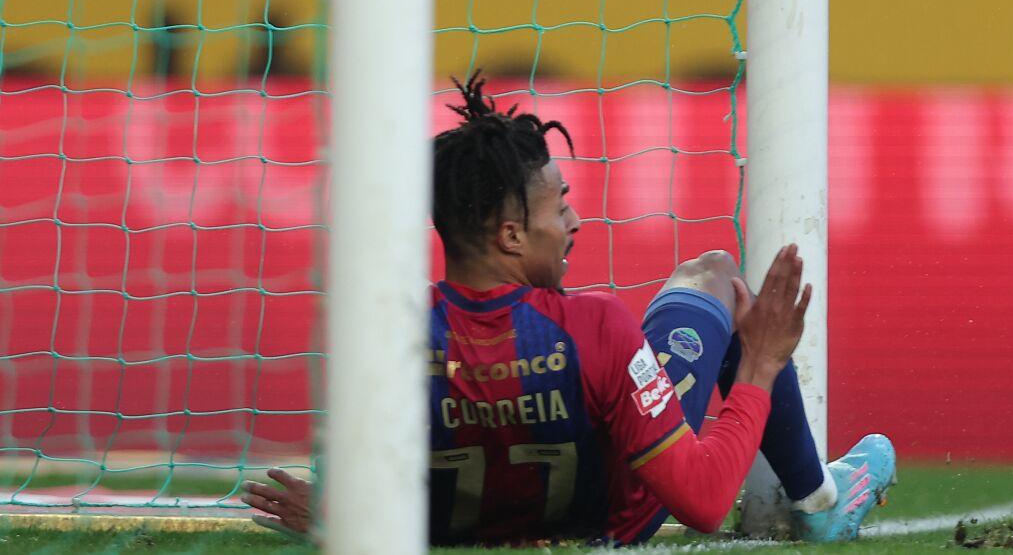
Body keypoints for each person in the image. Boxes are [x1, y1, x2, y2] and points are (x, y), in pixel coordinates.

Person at [242, 74, 896, 545]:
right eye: (560, 205)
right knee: (716, 274)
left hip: (475, 526)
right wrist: (758, 366)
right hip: (610, 525)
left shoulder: (386, 334)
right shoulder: (595, 328)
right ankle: (819, 503)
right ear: (511, 235)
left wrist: (335, 511)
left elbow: (375, 486)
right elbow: (701, 499)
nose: (575, 220)